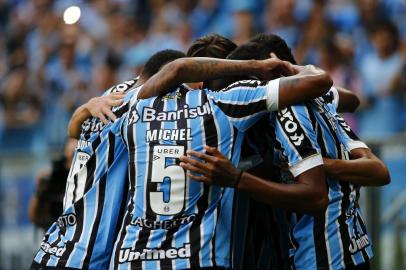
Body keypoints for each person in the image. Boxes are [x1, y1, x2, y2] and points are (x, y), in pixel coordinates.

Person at [180, 34, 390, 270]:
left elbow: (317, 195)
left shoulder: (287, 110)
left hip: (322, 256)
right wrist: (314, 164)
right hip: (350, 251)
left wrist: (238, 179)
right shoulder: (319, 100)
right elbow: (351, 101)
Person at [105, 54, 332, 269]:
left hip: (131, 256)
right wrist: (267, 66)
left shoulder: (131, 107)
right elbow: (319, 81)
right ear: (199, 81)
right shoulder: (221, 104)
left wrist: (83, 110)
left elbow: (178, 68)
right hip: (196, 258)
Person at [30, 49, 187, 270]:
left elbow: (72, 129)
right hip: (84, 256)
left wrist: (85, 106)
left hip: (54, 249)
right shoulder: (140, 104)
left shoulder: (112, 93)